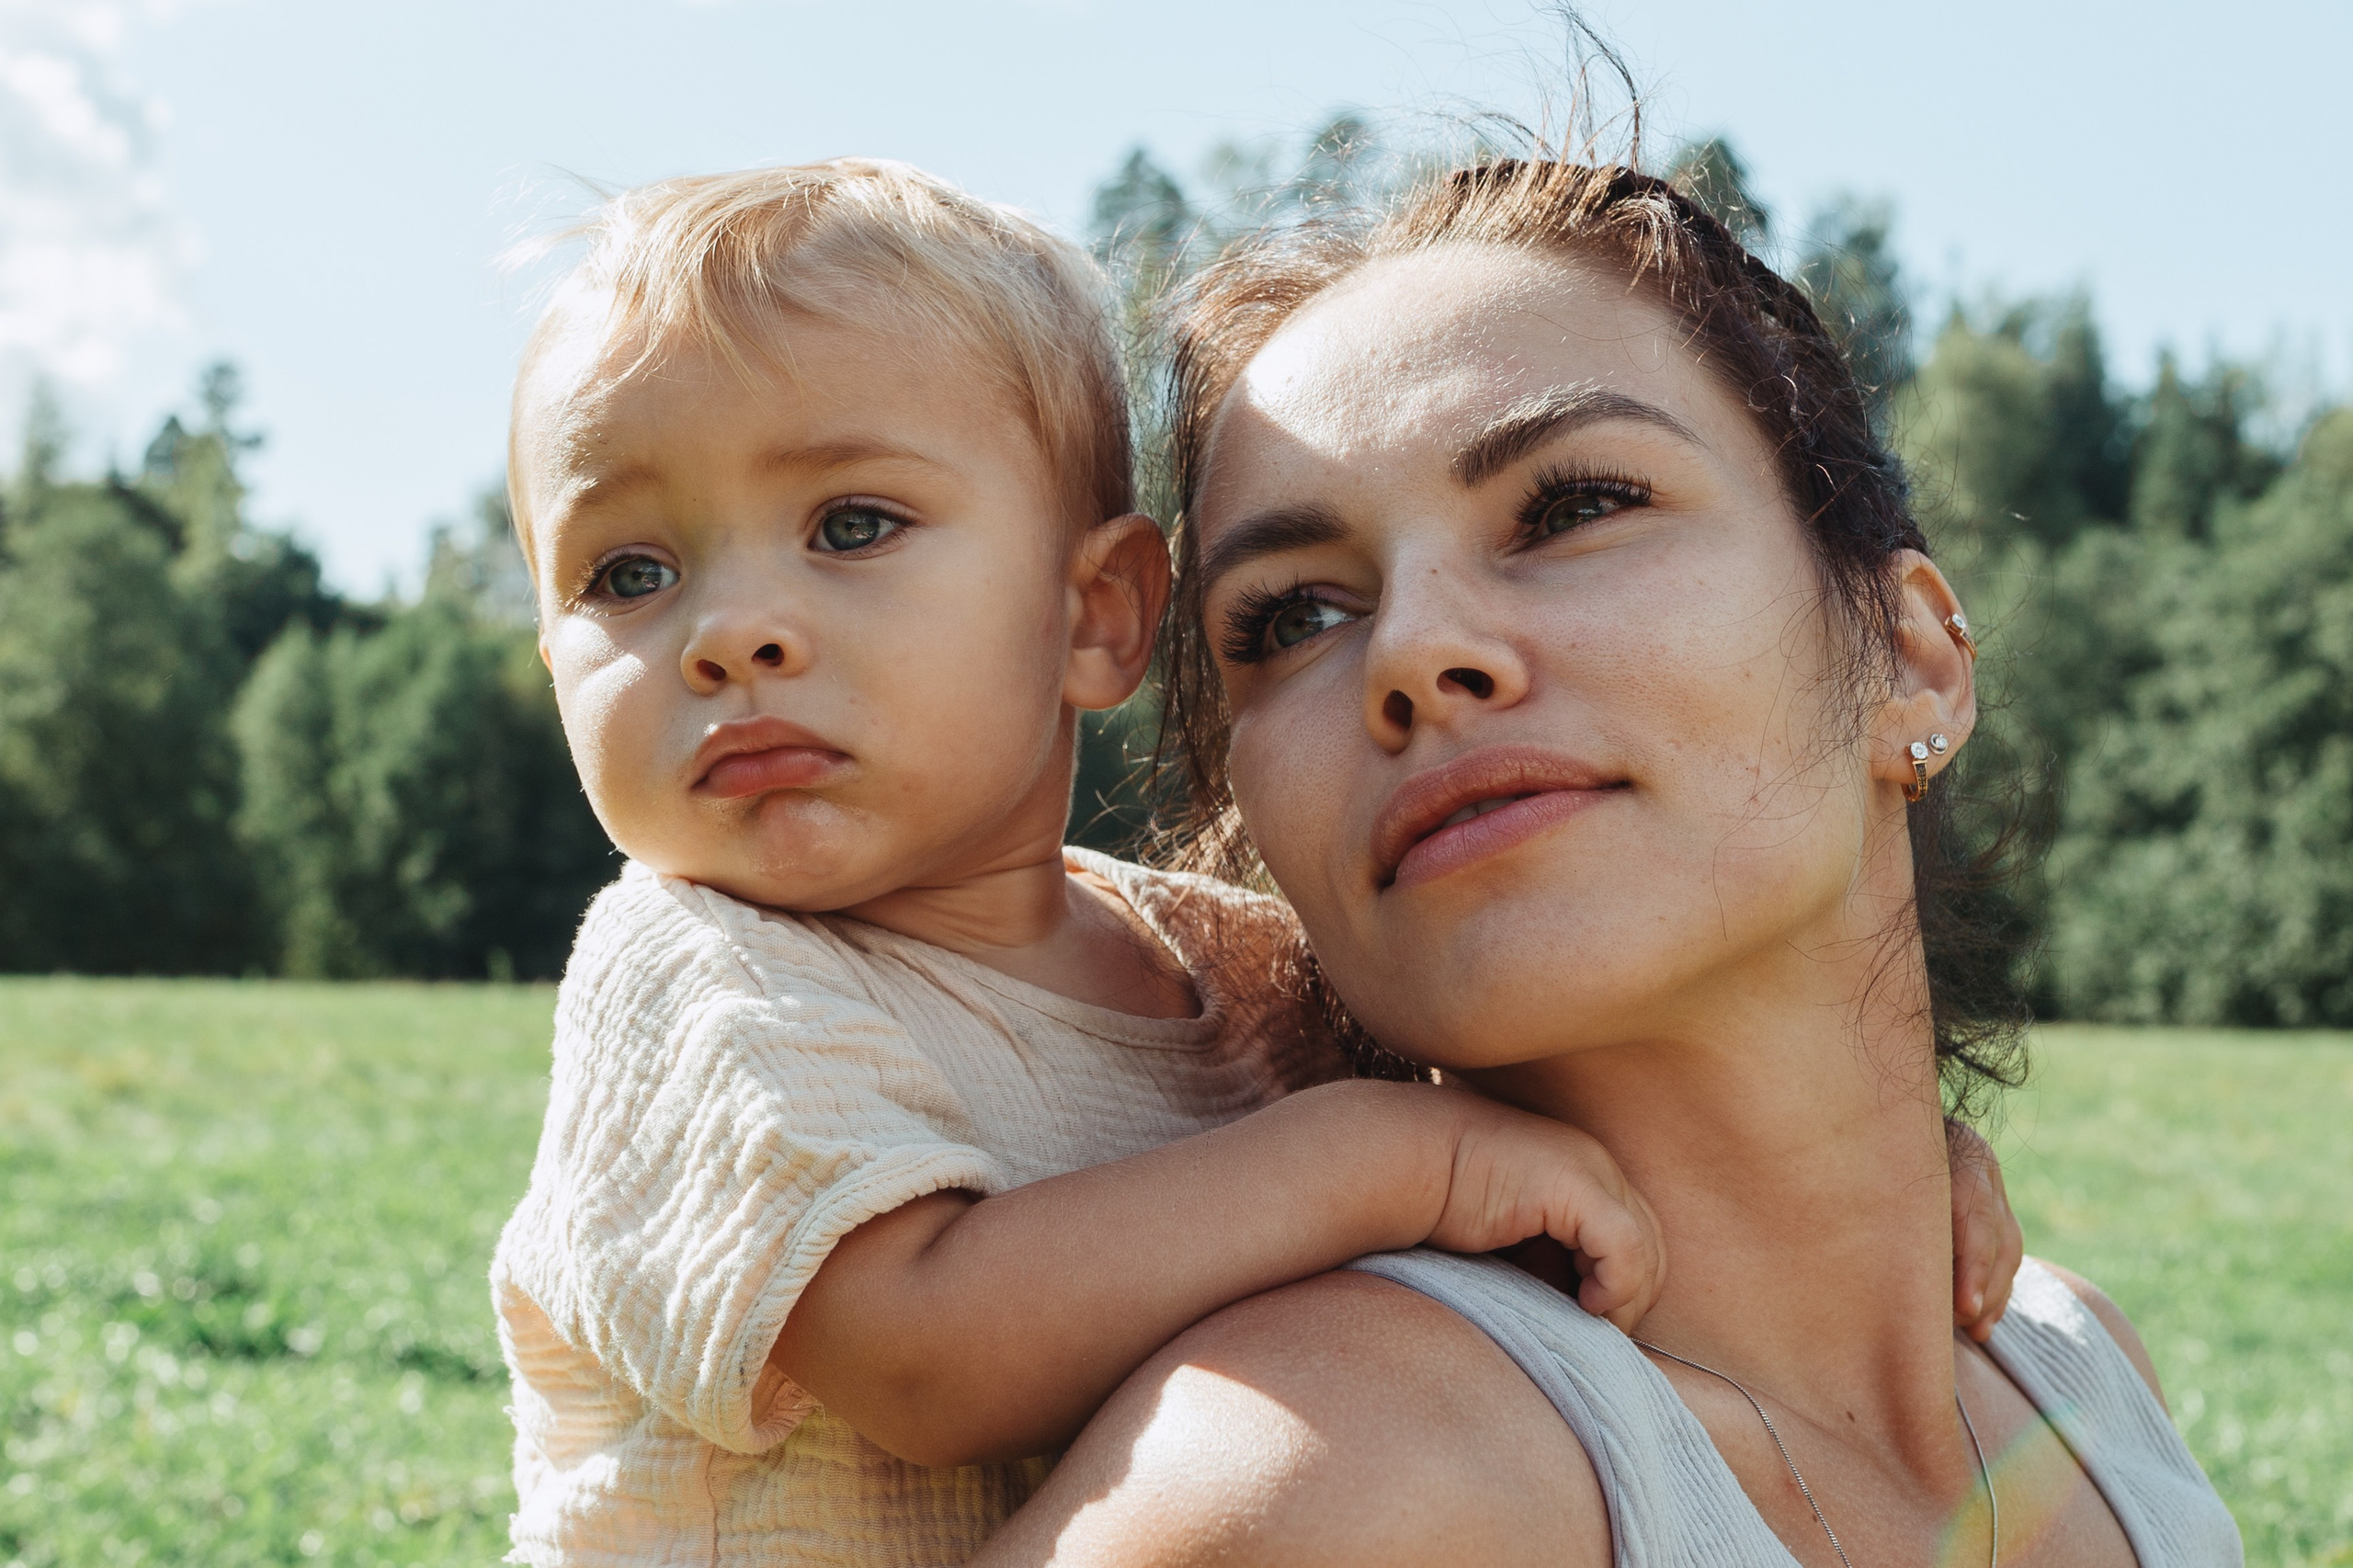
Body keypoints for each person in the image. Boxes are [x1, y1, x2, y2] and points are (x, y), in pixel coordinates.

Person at [487, 156, 2019, 1566]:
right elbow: (923, 1355)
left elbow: (1538, 1149)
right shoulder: (695, 974)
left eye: (850, 524)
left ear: (1098, 615)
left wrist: (1872, 1191)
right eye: (627, 571)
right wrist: (1389, 1159)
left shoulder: (1226, 968)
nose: (729, 633)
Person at [972, 157, 2242, 1566]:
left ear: (1910, 658)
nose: (1413, 650)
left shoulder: (2082, 1376)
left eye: (1572, 506)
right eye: (1291, 617)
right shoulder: (1334, 1476)